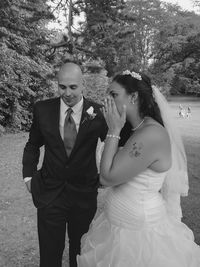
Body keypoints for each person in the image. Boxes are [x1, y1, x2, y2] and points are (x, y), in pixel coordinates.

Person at [77, 70, 200, 266]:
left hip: (140, 236)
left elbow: (107, 177)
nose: (107, 99)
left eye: (114, 94)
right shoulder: (134, 129)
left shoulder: (151, 134)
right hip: (117, 227)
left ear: (133, 97)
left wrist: (113, 130)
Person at [22, 61, 111, 267]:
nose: (67, 92)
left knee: (81, 253)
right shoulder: (42, 109)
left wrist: (107, 174)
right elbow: (32, 145)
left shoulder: (99, 113)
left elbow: (115, 143)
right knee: (49, 253)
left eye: (73, 87)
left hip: (84, 194)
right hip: (49, 193)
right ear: (57, 84)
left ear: (83, 85)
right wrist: (28, 176)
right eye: (62, 86)